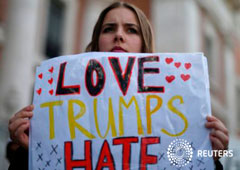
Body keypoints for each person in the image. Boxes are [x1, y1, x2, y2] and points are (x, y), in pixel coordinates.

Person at [8, 1, 228, 169]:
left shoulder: (167, 110)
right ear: (97, 40)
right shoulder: (60, 103)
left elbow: (179, 160)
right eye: (109, 29)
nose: (119, 36)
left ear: (144, 44)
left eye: (131, 30)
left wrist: (214, 157)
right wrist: (25, 151)